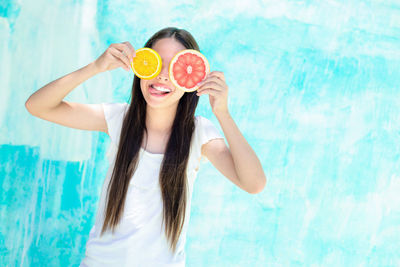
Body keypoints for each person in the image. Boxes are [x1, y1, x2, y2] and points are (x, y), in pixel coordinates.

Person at [25, 27, 266, 266]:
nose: (162, 76)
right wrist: (95, 67)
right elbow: (38, 106)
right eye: (154, 63)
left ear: (191, 80)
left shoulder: (198, 134)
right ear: (140, 67)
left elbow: (254, 183)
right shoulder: (119, 118)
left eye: (175, 69)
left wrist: (222, 113)